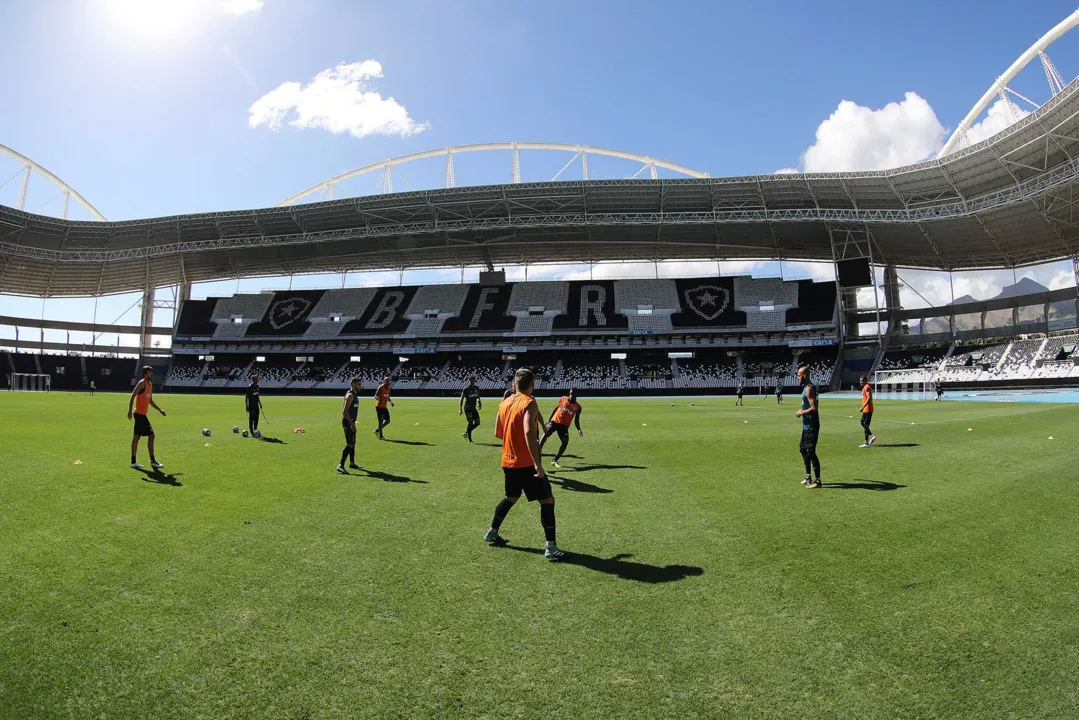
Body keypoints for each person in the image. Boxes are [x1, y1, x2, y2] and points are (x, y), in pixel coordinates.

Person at [484, 368, 566, 561]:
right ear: (532, 385)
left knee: (511, 496)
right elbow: (529, 432)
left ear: (515, 385)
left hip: (507, 460)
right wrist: (537, 463)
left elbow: (499, 432)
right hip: (526, 463)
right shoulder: (529, 402)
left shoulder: (504, 403)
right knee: (547, 500)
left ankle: (492, 531)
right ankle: (551, 548)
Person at [127, 365, 166, 470]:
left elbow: (150, 401)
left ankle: (133, 462)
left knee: (137, 437)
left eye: (151, 372)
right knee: (151, 435)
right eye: (149, 372)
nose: (151, 374)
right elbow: (132, 395)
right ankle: (153, 461)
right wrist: (130, 411)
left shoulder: (150, 385)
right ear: (145, 374)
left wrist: (160, 410)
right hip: (139, 414)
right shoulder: (142, 383)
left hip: (142, 414)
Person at [539, 389, 583, 468]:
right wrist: (549, 420)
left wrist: (579, 429)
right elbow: (556, 409)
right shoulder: (563, 398)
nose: (571, 395)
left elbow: (576, 420)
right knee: (545, 434)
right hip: (554, 421)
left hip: (564, 426)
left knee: (565, 442)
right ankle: (538, 453)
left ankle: (555, 460)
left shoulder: (578, 407)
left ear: (576, 395)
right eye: (570, 394)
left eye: (573, 394)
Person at [795, 365, 821, 488]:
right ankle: (808, 477)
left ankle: (817, 481)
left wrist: (801, 412)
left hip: (812, 425)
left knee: (811, 452)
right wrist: (803, 409)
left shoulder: (809, 389)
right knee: (803, 449)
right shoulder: (806, 387)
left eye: (799, 375)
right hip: (807, 425)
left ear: (804, 375)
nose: (797, 377)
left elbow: (814, 409)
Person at [337, 377, 363, 474]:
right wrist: (352, 425)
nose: (361, 386)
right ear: (353, 385)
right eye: (359, 384)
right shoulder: (350, 395)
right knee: (350, 444)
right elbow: (344, 412)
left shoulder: (354, 395)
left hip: (351, 422)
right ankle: (341, 465)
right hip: (348, 422)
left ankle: (352, 463)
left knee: (353, 443)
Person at [459, 376, 483, 444]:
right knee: (470, 423)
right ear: (470, 380)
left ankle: (466, 433)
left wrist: (479, 402)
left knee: (478, 422)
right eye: (473, 380)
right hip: (468, 408)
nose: (474, 381)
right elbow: (461, 398)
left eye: (474, 380)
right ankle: (469, 440)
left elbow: (478, 396)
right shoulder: (466, 389)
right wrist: (460, 409)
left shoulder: (476, 388)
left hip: (473, 408)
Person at [859, 375, 876, 448]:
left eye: (862, 381)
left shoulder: (867, 387)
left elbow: (869, 398)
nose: (860, 382)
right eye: (860, 380)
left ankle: (866, 442)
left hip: (868, 409)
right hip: (866, 409)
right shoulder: (866, 387)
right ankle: (871, 436)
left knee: (865, 424)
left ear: (865, 381)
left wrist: (863, 407)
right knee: (863, 423)